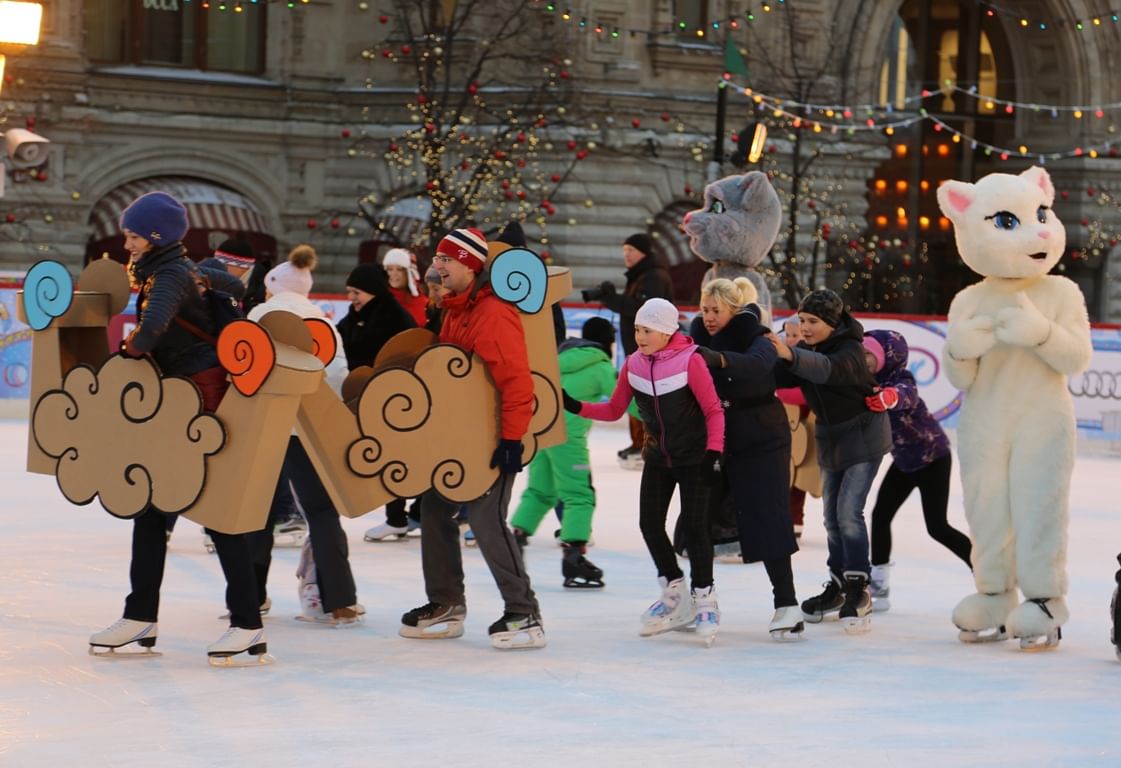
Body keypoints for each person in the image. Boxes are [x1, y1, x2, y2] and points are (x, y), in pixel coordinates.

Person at [88, 191, 266, 664]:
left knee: (212, 508)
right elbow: (234, 286)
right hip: (180, 397)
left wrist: (124, 356)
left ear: (156, 237)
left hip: (193, 400)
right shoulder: (184, 268)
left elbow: (151, 331)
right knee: (150, 505)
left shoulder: (168, 274)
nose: (126, 244)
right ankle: (141, 613)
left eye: (132, 236)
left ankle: (247, 623)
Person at [399, 227, 545, 650]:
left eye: (446, 260)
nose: (437, 266)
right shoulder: (456, 310)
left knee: (485, 518)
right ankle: (445, 602)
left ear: (469, 264)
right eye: (437, 259)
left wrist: (511, 441)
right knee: (435, 507)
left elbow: (517, 383)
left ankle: (524, 612)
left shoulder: (492, 313)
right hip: (459, 437)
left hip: (494, 437)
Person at [565, 298, 725, 645]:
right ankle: (675, 592)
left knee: (696, 528)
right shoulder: (634, 365)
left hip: (695, 456)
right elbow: (613, 409)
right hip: (658, 457)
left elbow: (714, 410)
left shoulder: (690, 362)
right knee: (649, 524)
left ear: (667, 331)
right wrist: (576, 406)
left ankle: (705, 598)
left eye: (647, 329)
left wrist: (715, 452)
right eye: (637, 329)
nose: (639, 336)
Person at [246, 245, 363, 626]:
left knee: (256, 512)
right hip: (307, 429)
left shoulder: (262, 314)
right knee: (321, 511)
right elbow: (338, 373)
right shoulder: (323, 318)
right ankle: (341, 601)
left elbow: (244, 365)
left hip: (267, 425)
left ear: (275, 287)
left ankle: (251, 597)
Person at [769, 288, 890, 634]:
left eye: (813, 322)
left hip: (864, 439)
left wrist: (790, 355)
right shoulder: (807, 350)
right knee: (831, 518)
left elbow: (825, 370)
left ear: (832, 323)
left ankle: (858, 588)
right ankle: (838, 585)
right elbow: (779, 376)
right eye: (802, 320)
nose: (804, 328)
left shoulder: (852, 350)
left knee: (849, 513)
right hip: (832, 440)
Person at [691, 278, 803, 641]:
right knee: (698, 516)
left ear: (734, 311)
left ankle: (786, 604)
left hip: (762, 436)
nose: (708, 318)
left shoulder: (760, 337)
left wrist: (718, 358)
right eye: (704, 310)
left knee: (768, 514)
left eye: (716, 311)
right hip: (715, 436)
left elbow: (756, 365)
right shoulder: (695, 340)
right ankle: (699, 598)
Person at [862, 330, 972, 612]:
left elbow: (906, 396)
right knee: (880, 515)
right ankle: (880, 585)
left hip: (932, 457)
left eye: (869, 356)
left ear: (886, 358)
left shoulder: (900, 379)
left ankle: (986, 572)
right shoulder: (864, 381)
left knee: (937, 527)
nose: (863, 360)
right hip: (904, 461)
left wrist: (887, 398)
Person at [510, 317, 617, 589]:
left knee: (540, 492)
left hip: (541, 431)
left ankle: (515, 542)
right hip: (568, 440)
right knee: (580, 495)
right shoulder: (601, 366)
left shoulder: (558, 358)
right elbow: (623, 401)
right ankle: (574, 556)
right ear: (609, 344)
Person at [333, 263, 420, 542]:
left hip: (395, 399)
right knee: (385, 459)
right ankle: (397, 517)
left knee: (401, 458)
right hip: (363, 398)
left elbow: (408, 351)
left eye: (357, 292)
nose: (352, 298)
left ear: (372, 291)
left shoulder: (394, 317)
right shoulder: (353, 317)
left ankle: (411, 514)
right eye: (349, 292)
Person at [582, 233, 673, 470]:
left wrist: (612, 299)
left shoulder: (653, 276)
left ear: (643, 252)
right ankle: (639, 442)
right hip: (640, 350)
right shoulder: (642, 275)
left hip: (652, 352)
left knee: (645, 397)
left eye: (631, 251)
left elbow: (642, 310)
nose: (627, 256)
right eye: (624, 252)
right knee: (638, 394)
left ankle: (648, 443)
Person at [776, 316, 809, 540]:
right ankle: (783, 517)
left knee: (800, 473)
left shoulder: (809, 361)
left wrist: (779, 393)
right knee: (783, 471)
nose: (789, 340)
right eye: (787, 335)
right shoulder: (781, 360)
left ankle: (796, 518)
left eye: (795, 336)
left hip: (805, 426)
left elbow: (808, 393)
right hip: (784, 424)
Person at [383, 247, 428, 327]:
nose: (394, 274)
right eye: (390, 269)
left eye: (400, 269)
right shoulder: (379, 301)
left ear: (410, 273)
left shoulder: (425, 304)